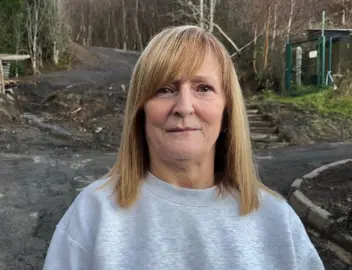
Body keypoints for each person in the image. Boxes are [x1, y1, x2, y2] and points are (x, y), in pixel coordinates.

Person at [43, 25, 325, 270]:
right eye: (164, 89)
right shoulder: (93, 214)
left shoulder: (277, 221)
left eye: (203, 88)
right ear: (140, 109)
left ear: (227, 109)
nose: (184, 107)